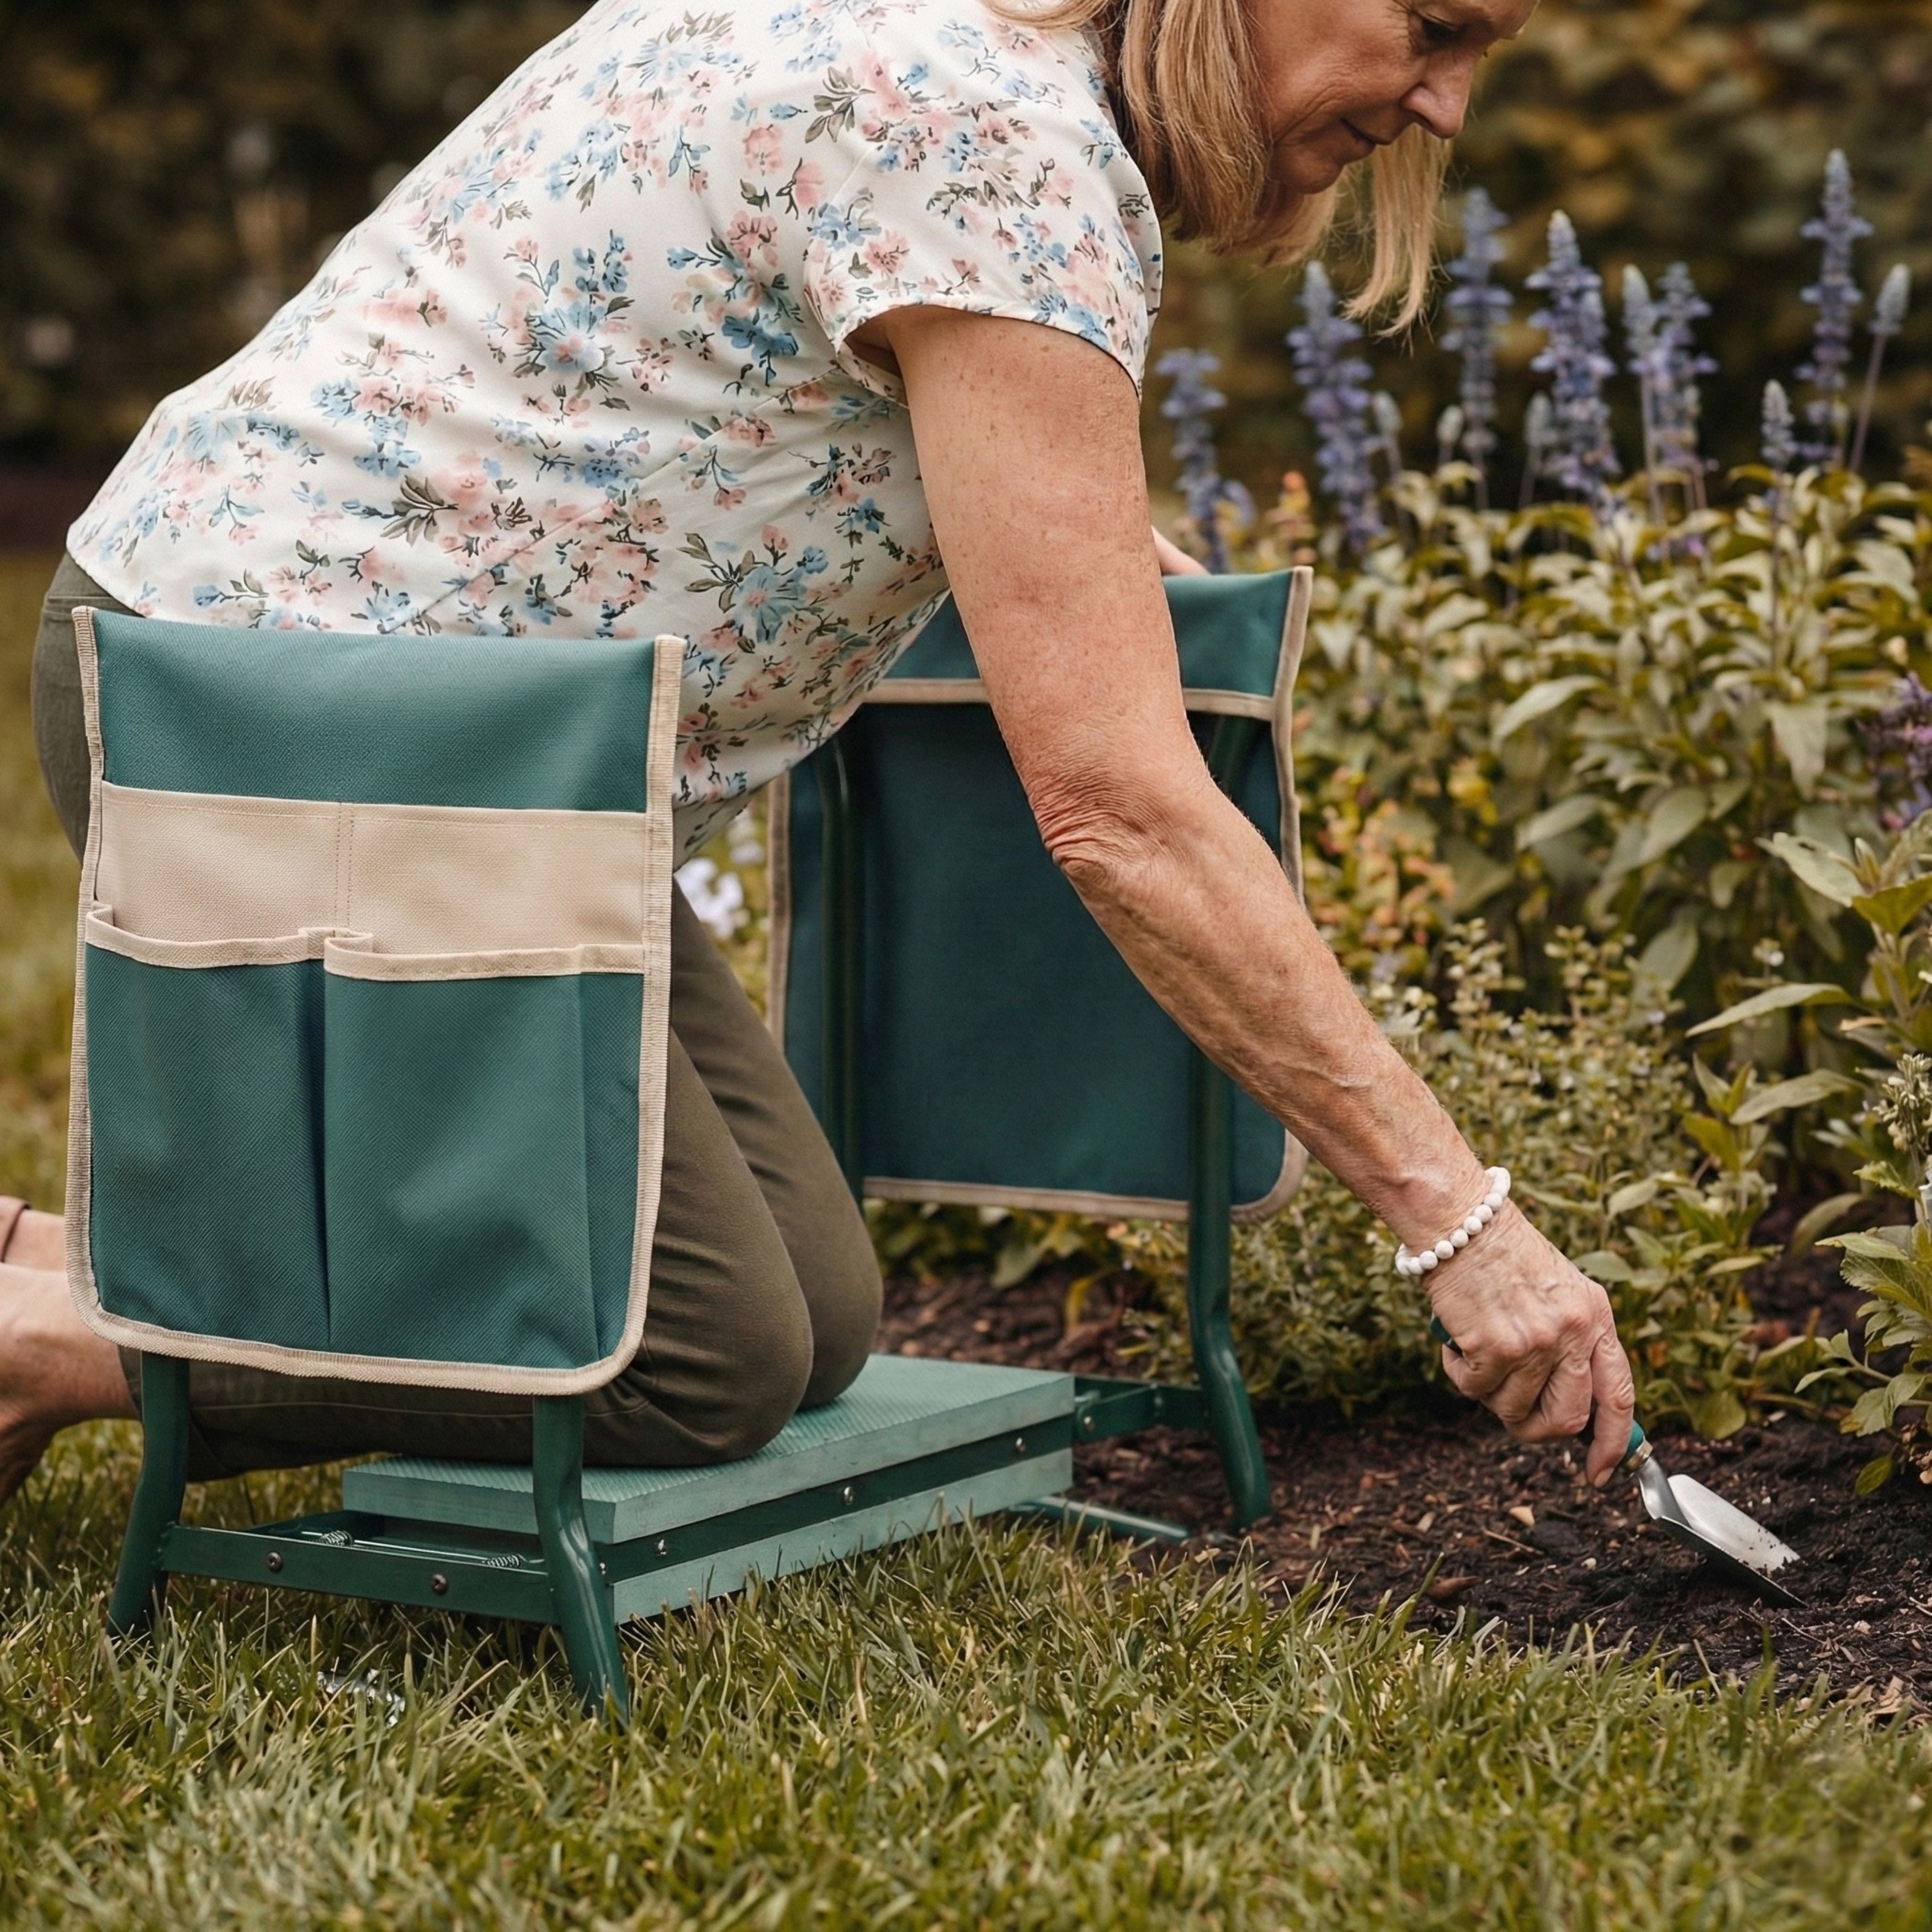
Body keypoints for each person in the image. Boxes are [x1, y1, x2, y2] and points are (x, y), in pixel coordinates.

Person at [1, 0, 1636, 1508]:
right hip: (283, 715)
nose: (1443, 103)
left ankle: (45, 1268)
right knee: (690, 1354)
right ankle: (41, 1349)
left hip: (455, 742)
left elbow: (743, 352)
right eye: (1432, 27)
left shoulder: (936, 43)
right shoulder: (1005, 151)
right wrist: (1456, 1223)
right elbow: (1122, 813)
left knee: (814, 1306)